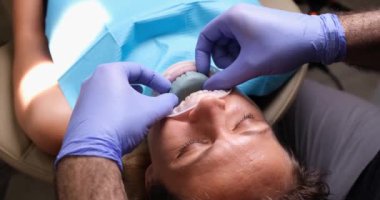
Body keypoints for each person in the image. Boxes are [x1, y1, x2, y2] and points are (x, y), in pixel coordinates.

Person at [55, 4, 380, 200]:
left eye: (190, 148)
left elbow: (28, 42)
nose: (210, 107)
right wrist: (330, 34)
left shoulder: (67, 120)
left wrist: (87, 151)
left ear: (151, 177)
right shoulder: (269, 70)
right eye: (245, 122)